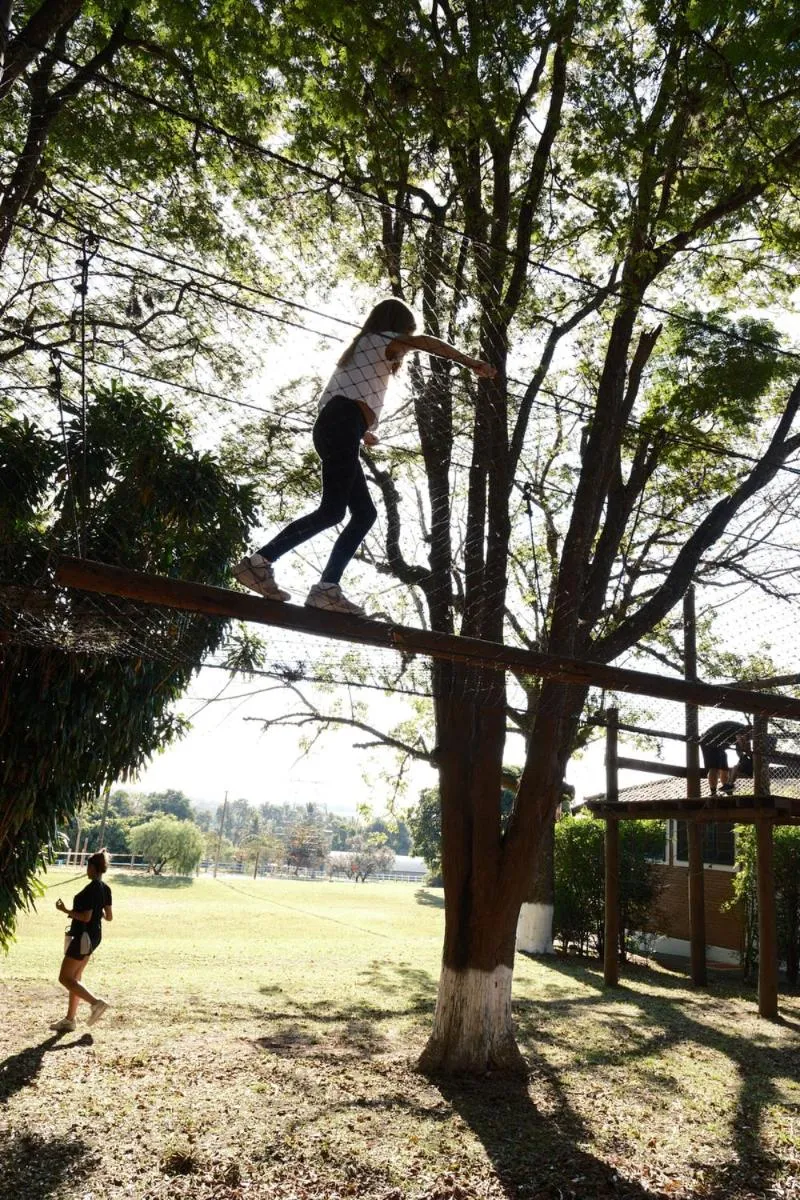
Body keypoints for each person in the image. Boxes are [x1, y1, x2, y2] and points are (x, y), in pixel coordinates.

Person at [233, 297, 496, 615]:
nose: (404, 348)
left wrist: (362, 431)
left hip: (338, 426)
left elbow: (336, 403)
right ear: (398, 327)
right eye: (406, 335)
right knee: (332, 511)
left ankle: (326, 588)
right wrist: (470, 362)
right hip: (341, 425)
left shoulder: (361, 349)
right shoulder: (380, 339)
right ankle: (260, 562)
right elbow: (426, 342)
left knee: (363, 514)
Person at [50, 850, 113, 1033]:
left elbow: (85, 917)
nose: (87, 869)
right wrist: (97, 912)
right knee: (76, 977)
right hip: (94, 937)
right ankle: (70, 1020)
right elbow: (108, 916)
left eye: (88, 866)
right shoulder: (105, 888)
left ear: (93, 867)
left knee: (65, 978)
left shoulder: (91, 889)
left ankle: (96, 1003)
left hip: (82, 936)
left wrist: (65, 910)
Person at [699, 720, 751, 796]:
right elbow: (742, 744)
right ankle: (713, 792)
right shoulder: (741, 729)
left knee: (724, 767)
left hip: (719, 745)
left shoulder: (742, 733)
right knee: (713, 767)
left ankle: (728, 790)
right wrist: (748, 754)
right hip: (708, 741)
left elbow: (739, 750)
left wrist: (743, 758)